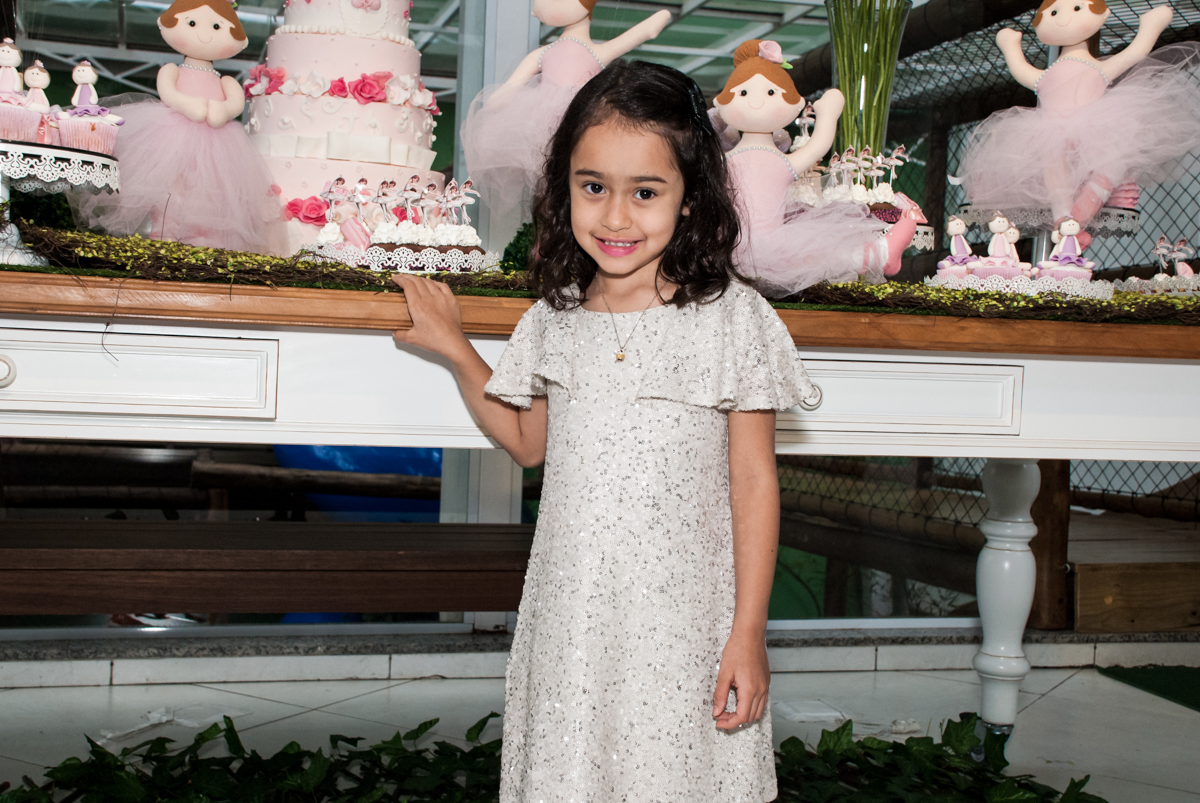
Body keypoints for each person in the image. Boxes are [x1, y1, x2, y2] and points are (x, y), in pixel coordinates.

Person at [393, 61, 818, 802]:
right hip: (574, 620)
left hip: (684, 623)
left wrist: (748, 631)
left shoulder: (732, 321)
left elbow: (754, 481)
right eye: (594, 187)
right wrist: (460, 352)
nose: (616, 218)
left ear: (690, 199)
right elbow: (529, 443)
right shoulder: (553, 320)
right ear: (566, 186)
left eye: (645, 192)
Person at [958, 0, 1200, 229]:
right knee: (1054, 167)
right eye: (1053, 13)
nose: (1063, 18)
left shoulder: (1098, 68)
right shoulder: (1048, 75)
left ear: (1102, 14)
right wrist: (1010, 46)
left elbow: (1133, 54)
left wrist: (1150, 27)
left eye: (1076, 7)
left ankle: (1082, 212)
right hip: (1049, 128)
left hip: (1092, 123)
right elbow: (1023, 72)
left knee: (1113, 157)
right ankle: (1063, 220)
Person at [71, 0, 287, 255]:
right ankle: (165, 239)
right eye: (192, 23)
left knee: (215, 196)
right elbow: (169, 94)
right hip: (173, 135)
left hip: (220, 142)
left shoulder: (228, 80)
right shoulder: (171, 70)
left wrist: (223, 111)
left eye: (217, 26)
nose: (205, 34)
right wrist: (188, 104)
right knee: (170, 192)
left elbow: (234, 105)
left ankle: (208, 243)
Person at [714, 39, 921, 294]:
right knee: (817, 254)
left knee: (820, 253)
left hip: (752, 244)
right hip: (728, 244)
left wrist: (827, 114)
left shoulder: (760, 162)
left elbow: (818, 146)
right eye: (743, 93)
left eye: (771, 93)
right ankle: (875, 254)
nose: (756, 102)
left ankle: (879, 255)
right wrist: (827, 113)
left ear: (796, 105)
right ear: (721, 104)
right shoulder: (728, 160)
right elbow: (818, 145)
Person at [460, 0, 670, 212]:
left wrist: (659, 18)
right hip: (545, 127)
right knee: (554, 187)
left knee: (576, 180)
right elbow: (501, 97)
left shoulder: (589, 52)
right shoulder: (557, 53)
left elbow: (647, 31)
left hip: (584, 121)